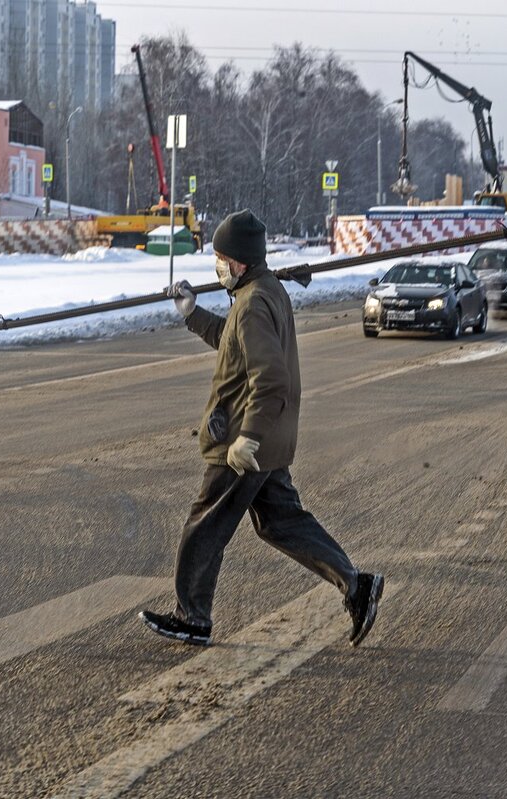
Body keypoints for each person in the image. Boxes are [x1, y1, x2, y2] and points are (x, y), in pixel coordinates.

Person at [139, 209, 384, 648]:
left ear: (236, 262)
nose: (216, 266)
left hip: (243, 441)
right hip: (269, 439)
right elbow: (233, 341)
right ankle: (356, 585)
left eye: (219, 258)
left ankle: (192, 616)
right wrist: (193, 314)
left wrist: (247, 438)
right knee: (282, 522)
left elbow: (270, 378)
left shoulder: (252, 304)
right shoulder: (262, 292)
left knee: (204, 524)